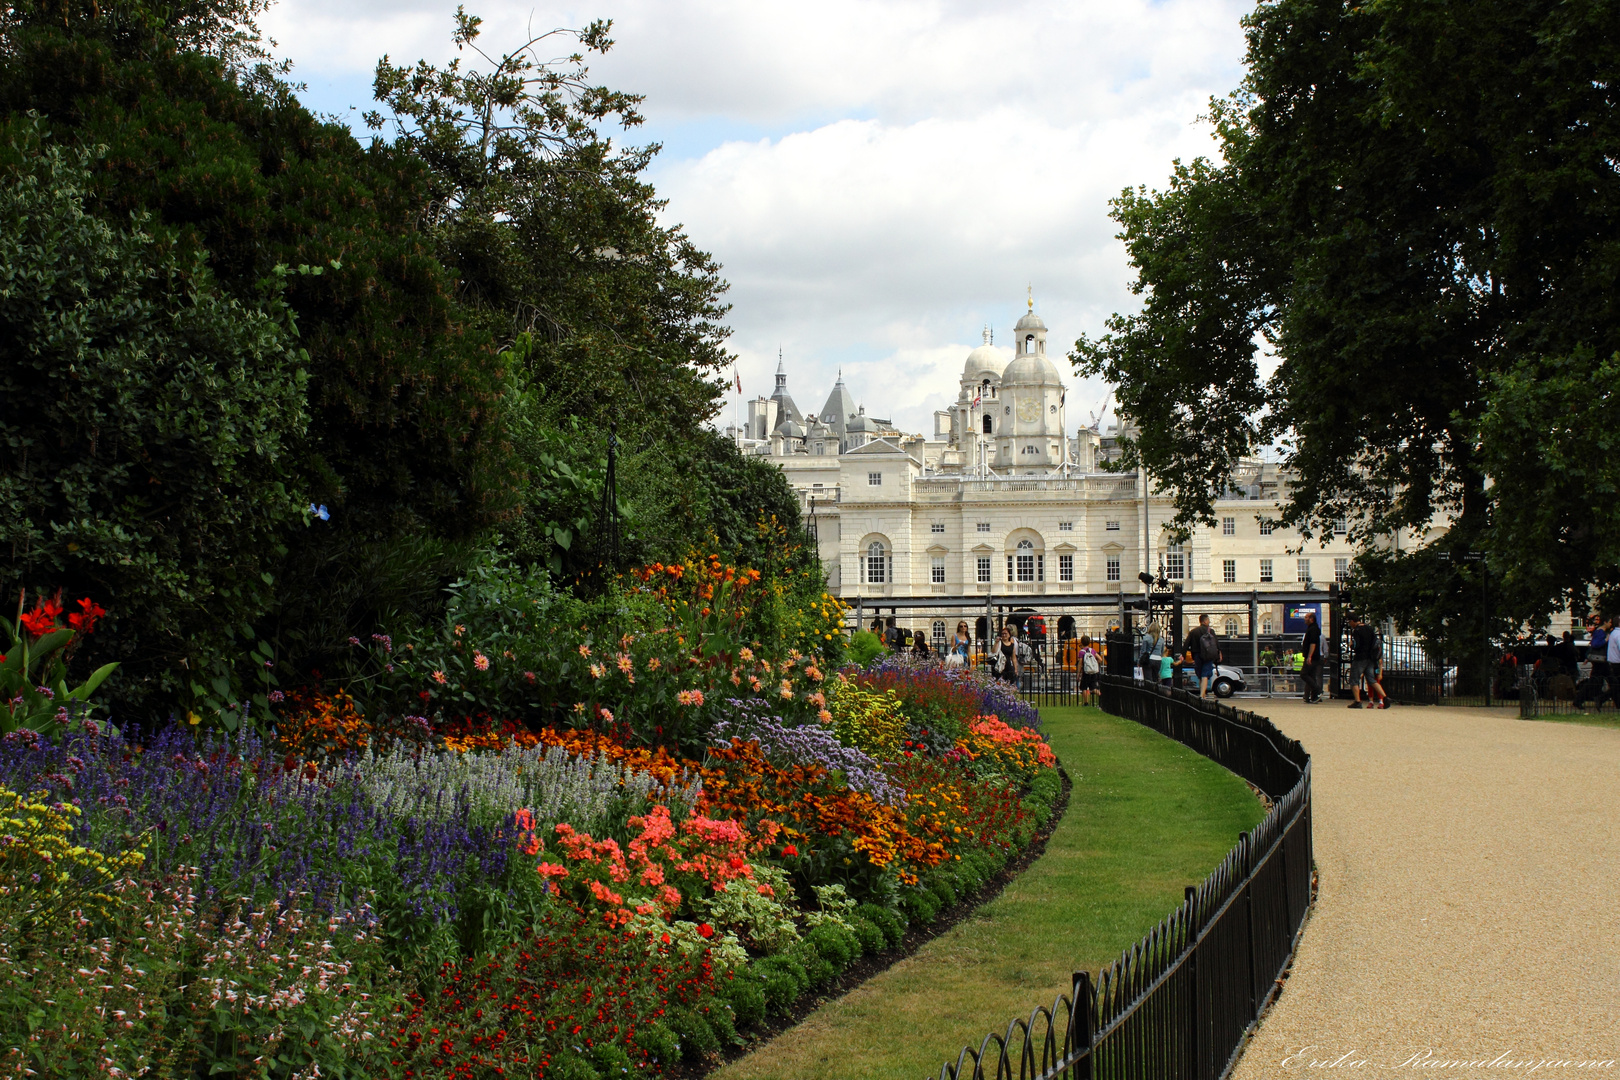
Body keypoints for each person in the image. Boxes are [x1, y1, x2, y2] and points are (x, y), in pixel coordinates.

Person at [1348, 615, 1386, 708]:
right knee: (1372, 680)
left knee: (1354, 679)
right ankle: (1385, 698)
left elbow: (1356, 645)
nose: (1350, 624)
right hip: (1370, 658)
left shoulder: (1357, 631)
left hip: (1360, 657)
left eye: (1349, 622)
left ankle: (1358, 701)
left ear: (1353, 621)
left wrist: (1351, 645)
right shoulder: (1369, 629)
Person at [1183, 614, 1222, 699]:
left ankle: (1202, 694)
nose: (1209, 621)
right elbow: (1216, 643)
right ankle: (1202, 695)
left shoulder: (1193, 632)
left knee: (1200, 675)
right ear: (1205, 621)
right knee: (1205, 674)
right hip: (1208, 655)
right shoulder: (1210, 631)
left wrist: (1183, 655)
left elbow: (1186, 644)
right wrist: (1219, 653)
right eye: (1208, 620)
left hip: (1197, 655)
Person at [1300, 610, 1323, 703]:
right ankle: (1314, 696)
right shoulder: (1312, 628)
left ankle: (1317, 689)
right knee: (1312, 675)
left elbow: (1312, 643)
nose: (1305, 619)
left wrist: (1309, 656)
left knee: (1304, 674)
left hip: (1312, 657)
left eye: (1306, 617)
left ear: (1311, 619)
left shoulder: (1313, 629)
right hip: (1313, 656)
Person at [1078, 634, 1102, 706]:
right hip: (1094, 671)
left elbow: (1080, 663)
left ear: (1082, 642)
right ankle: (1102, 697)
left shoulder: (1081, 652)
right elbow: (1100, 659)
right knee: (1093, 687)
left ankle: (1086, 702)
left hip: (1086, 671)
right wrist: (1094, 664)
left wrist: (1078, 674)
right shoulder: (1092, 650)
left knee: (1084, 687)